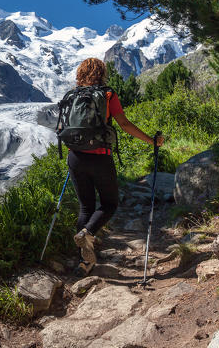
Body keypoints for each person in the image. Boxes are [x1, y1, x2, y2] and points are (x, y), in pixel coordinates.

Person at [67, 57, 165, 276]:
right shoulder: (108, 94)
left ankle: (84, 262)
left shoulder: (72, 95)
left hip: (75, 157)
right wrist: (151, 141)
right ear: (102, 73)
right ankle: (88, 232)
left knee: (85, 207)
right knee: (110, 203)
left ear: (80, 74)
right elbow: (124, 123)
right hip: (100, 157)